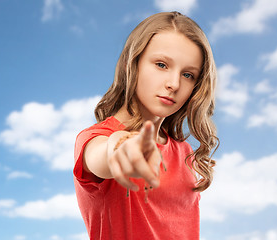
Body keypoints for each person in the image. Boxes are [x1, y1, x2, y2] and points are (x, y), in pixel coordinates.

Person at [73, 11, 219, 240]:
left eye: (188, 75)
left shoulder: (185, 153)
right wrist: (119, 149)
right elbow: (101, 156)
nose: (174, 84)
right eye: (161, 65)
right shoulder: (97, 137)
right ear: (132, 64)